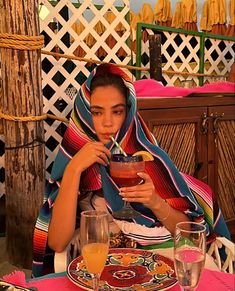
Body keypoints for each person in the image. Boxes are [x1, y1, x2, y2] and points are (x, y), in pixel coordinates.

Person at [32, 63, 230, 277]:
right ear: (84, 114)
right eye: (97, 113)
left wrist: (155, 202)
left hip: (159, 255)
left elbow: (188, 236)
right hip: (105, 260)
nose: (108, 123)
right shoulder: (75, 158)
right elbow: (58, 242)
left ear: (128, 113)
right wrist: (73, 169)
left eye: (117, 112)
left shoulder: (147, 156)